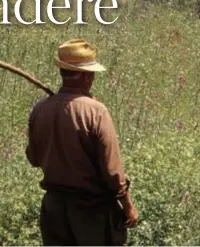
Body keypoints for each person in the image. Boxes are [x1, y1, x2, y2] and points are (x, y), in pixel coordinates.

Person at [26, 39, 138, 246]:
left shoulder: (40, 109)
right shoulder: (96, 111)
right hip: (91, 210)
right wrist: (128, 205)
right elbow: (113, 172)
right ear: (87, 75)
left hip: (54, 209)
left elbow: (33, 158)